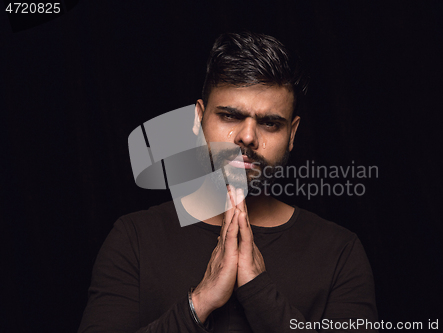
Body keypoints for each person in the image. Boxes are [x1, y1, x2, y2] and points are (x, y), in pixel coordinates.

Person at [78, 32, 378, 333]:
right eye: (230, 116)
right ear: (198, 119)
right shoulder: (134, 238)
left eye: (269, 123)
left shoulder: (340, 251)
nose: (248, 137)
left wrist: (259, 292)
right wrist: (199, 303)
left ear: (292, 134)